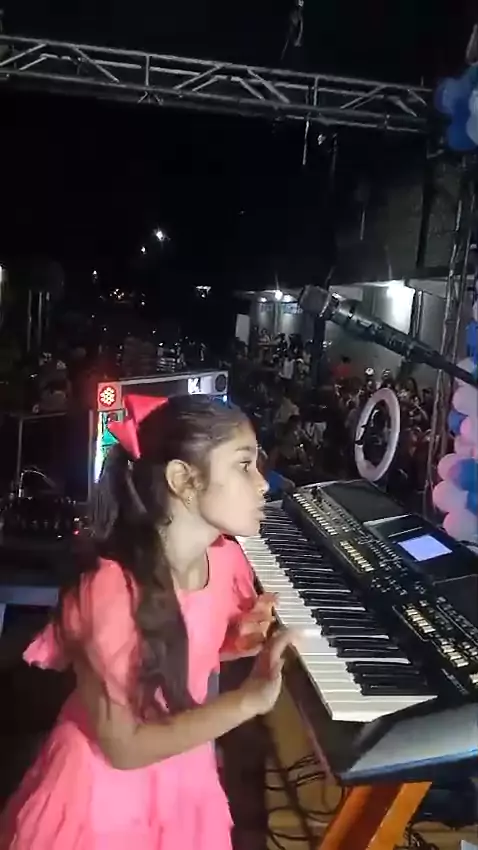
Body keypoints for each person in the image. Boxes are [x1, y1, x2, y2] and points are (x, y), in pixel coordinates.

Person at [0, 394, 296, 850]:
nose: (263, 484)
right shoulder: (111, 591)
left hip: (183, 774)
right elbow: (124, 748)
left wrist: (235, 642)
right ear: (183, 480)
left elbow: (179, 646)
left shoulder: (224, 560)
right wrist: (248, 700)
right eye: (244, 465)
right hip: (102, 804)